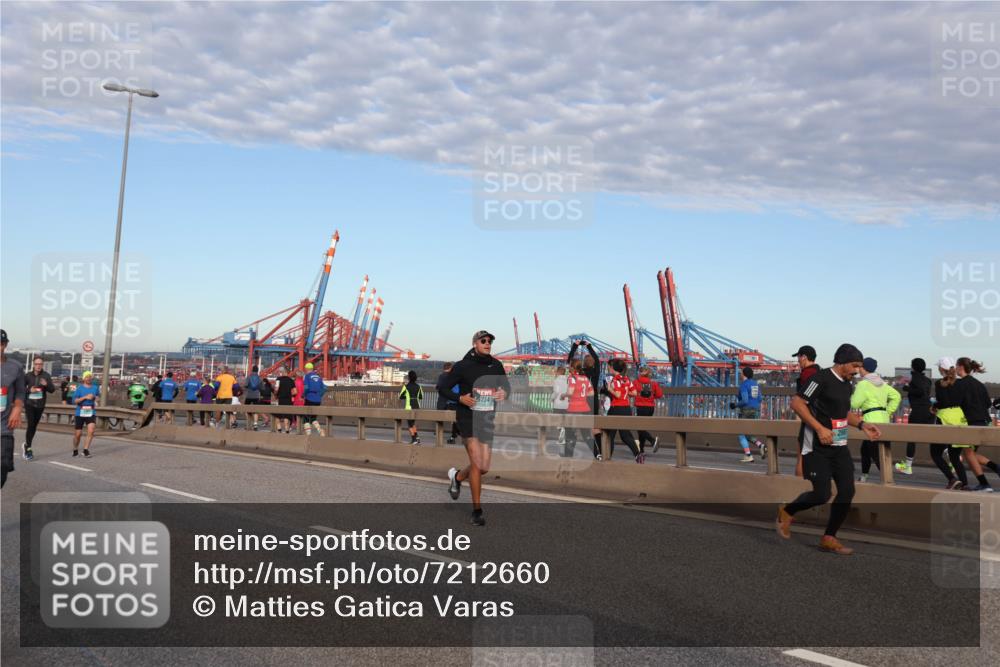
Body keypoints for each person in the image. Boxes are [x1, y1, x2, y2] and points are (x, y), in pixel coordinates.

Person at [776, 343, 882, 555]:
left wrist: (861, 425)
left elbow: (843, 413)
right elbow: (797, 403)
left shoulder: (847, 384)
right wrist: (819, 428)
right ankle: (787, 511)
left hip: (839, 446)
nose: (857, 370)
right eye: (855, 365)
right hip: (817, 446)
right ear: (841, 362)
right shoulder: (820, 379)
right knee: (822, 494)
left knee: (847, 491)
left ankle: (829, 537)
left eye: (859, 366)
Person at [444, 330, 511, 526]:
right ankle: (477, 511)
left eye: (490, 341)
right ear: (475, 344)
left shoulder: (496, 365)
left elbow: (506, 387)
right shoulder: (463, 366)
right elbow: (443, 387)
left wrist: (503, 394)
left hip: (487, 419)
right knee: (476, 462)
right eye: (484, 341)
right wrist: (460, 398)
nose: (488, 343)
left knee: (484, 467)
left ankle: (457, 477)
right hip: (467, 418)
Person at [851, 357, 901, 483]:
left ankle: (889, 480)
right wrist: (887, 411)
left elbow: (855, 404)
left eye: (860, 367)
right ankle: (864, 476)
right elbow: (897, 396)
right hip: (884, 419)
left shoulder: (863, 384)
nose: (858, 370)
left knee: (875, 453)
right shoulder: (882, 383)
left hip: (870, 420)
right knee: (867, 450)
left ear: (864, 368)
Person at [955, 357, 996, 492]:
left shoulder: (960, 384)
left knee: (967, 453)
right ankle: (996, 468)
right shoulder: (979, 384)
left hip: (971, 422)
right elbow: (987, 404)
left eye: (956, 366)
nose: (955, 368)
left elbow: (955, 403)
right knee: (970, 453)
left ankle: (984, 484)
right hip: (984, 421)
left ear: (961, 367)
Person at [933, 357, 972, 490]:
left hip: (944, 418)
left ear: (941, 369)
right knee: (955, 455)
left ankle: (952, 479)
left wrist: (935, 406)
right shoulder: (961, 383)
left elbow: (942, 402)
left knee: (935, 453)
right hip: (959, 417)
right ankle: (965, 484)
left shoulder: (939, 383)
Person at [896, 358, 933, 476]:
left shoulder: (915, 378)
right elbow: (923, 391)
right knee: (937, 437)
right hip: (929, 411)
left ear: (913, 367)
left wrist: (906, 388)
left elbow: (919, 391)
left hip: (918, 411)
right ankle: (953, 459)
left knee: (911, 438)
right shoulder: (928, 380)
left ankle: (908, 467)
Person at [567, 339, 603, 457]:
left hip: (581, 401)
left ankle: (569, 453)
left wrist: (575, 346)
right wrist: (589, 346)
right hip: (594, 401)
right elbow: (597, 359)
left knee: (575, 428)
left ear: (584, 363)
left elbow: (570, 361)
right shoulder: (597, 371)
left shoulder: (581, 373)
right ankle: (600, 452)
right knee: (595, 426)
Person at [604, 359, 643, 463]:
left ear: (612, 368)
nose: (608, 368)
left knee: (609, 434)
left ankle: (607, 457)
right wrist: (626, 393)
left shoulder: (615, 380)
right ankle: (638, 455)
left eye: (609, 366)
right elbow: (634, 393)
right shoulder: (626, 379)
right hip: (626, 409)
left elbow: (617, 395)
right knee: (625, 435)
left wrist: (609, 389)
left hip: (616, 409)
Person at [1, 330, 26, 487]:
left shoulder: (15, 367)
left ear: (5, 345)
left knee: (3, 466)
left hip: (3, 427)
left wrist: (17, 408)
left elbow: (21, 391)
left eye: (1, 344)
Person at [792, 345, 820, 477]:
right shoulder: (820, 373)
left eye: (798, 357)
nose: (798, 361)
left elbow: (803, 400)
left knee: (802, 457)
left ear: (804, 357)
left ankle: (798, 487)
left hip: (810, 420)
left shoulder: (807, 374)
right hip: (821, 419)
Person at [22, 356, 56, 461]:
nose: (38, 366)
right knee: (31, 424)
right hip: (29, 404)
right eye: (37, 364)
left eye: (40, 364)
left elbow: (52, 390)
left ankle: (26, 444)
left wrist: (46, 385)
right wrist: (29, 390)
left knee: (34, 427)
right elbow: (20, 389)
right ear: (33, 365)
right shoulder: (27, 376)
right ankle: (28, 448)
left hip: (40, 405)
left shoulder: (46, 375)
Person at [733, 367, 766, 463]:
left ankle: (748, 455)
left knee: (741, 433)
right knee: (748, 434)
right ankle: (761, 446)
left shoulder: (744, 385)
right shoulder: (755, 384)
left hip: (745, 410)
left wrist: (735, 405)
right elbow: (760, 399)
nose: (740, 374)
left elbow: (745, 400)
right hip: (755, 410)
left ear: (744, 374)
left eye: (741, 373)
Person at [564, 359, 595, 457]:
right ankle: (598, 454)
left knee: (570, 434)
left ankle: (568, 455)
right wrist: (582, 396)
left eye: (569, 366)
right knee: (587, 435)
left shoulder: (572, 378)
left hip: (573, 409)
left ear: (572, 367)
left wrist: (562, 395)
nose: (568, 367)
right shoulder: (585, 378)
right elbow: (591, 393)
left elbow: (570, 393)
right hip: (585, 409)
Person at [633, 366, 662, 453]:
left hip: (641, 407)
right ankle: (641, 449)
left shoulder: (635, 382)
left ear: (639, 373)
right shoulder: (653, 383)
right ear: (649, 374)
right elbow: (659, 395)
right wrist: (652, 397)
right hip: (650, 408)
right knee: (643, 428)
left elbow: (631, 392)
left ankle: (652, 441)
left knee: (639, 428)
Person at [71, 371, 100, 458]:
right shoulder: (79, 388)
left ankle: (85, 450)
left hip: (91, 411)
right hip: (80, 412)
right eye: (87, 377)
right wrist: (85, 397)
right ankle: (75, 448)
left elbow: (98, 397)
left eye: (90, 376)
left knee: (91, 430)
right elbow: (74, 401)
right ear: (84, 379)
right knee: (78, 434)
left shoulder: (95, 388)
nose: (89, 378)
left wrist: (94, 397)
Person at [435, 362, 461, 444]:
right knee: (455, 418)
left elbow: (439, 387)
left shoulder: (442, 376)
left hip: (445, 400)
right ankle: (455, 434)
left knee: (440, 415)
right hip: (455, 400)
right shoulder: (455, 377)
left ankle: (440, 432)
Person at [302, 363, 327, 436]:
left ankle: (308, 434)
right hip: (318, 400)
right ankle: (320, 431)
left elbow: (306, 388)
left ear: (306, 369)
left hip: (309, 398)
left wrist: (303, 395)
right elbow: (325, 388)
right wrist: (320, 395)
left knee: (306, 418)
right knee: (313, 418)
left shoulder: (307, 376)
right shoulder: (318, 377)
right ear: (312, 368)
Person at [399, 370, 423, 444]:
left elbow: (401, 396)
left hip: (409, 407)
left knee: (410, 424)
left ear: (409, 378)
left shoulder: (406, 387)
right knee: (413, 423)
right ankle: (417, 437)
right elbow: (421, 397)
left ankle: (414, 439)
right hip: (417, 406)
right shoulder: (419, 387)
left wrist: (407, 396)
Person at [551, 366, 569, 449]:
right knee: (564, 421)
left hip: (558, 404)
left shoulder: (556, 380)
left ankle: (562, 437)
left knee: (558, 421)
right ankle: (563, 438)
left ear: (558, 372)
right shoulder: (568, 380)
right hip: (566, 404)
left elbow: (556, 391)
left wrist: (551, 398)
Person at [274, 367, 296, 433]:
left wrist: (275, 395)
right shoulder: (291, 380)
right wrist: (292, 396)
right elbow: (295, 391)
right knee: (287, 415)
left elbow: (276, 389)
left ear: (281, 372)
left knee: (277, 415)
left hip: (281, 399)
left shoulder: (278, 379)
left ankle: (279, 429)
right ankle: (286, 429)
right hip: (288, 400)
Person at [244, 365, 263, 431]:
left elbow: (245, 385)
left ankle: (249, 423)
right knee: (256, 410)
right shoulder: (260, 378)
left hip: (249, 395)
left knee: (246, 410)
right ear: (257, 371)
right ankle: (255, 424)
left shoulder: (249, 377)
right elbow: (262, 388)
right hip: (256, 396)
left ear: (252, 370)